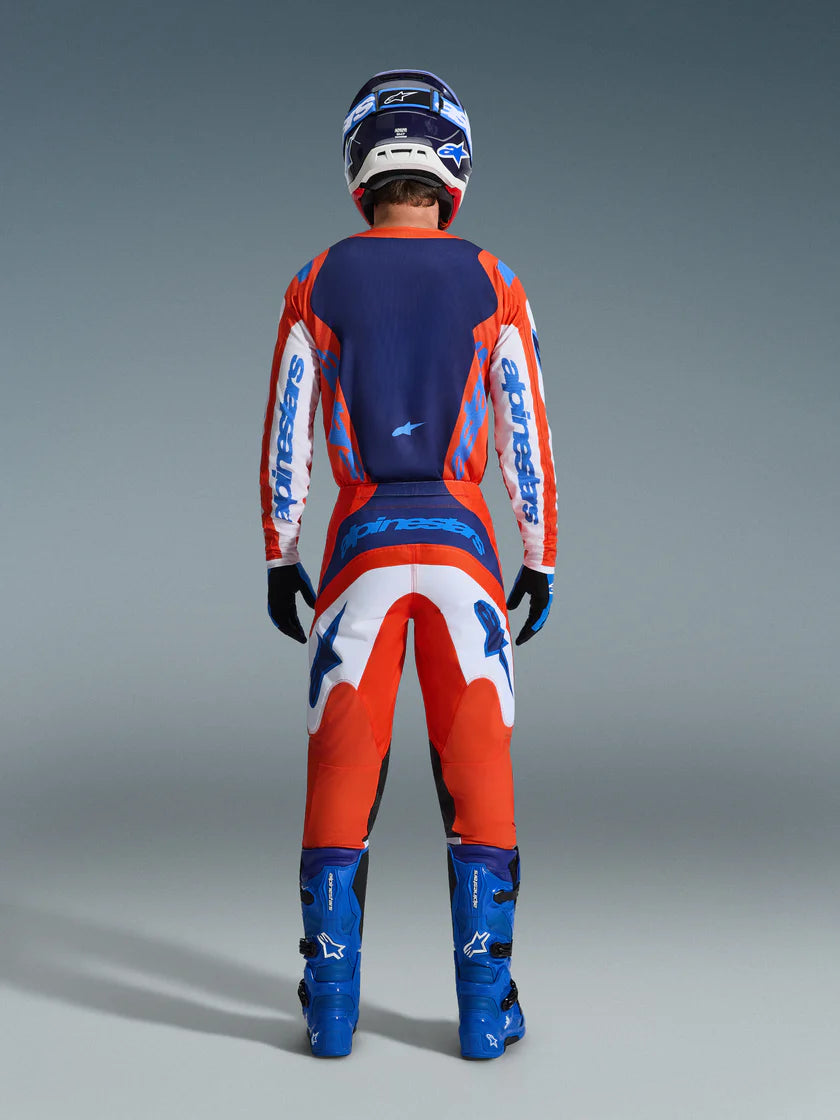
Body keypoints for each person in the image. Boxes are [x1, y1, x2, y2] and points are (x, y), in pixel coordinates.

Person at [259, 69, 557, 1060]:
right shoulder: (494, 279)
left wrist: (279, 551)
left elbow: (287, 430)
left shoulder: (316, 279)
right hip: (467, 554)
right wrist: (542, 557)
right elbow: (526, 435)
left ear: (360, 165)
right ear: (454, 166)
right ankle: (485, 1015)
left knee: (343, 769)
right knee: (479, 769)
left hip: (357, 556)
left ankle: (331, 1015)